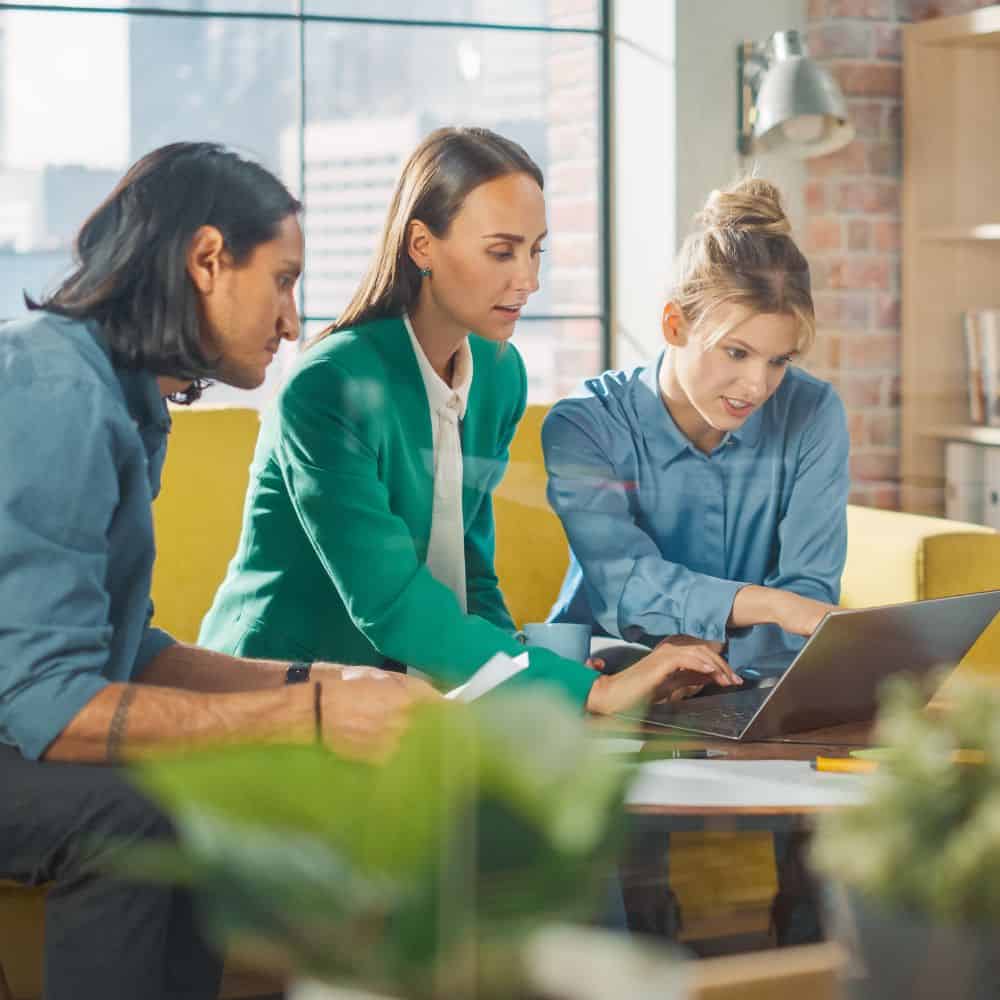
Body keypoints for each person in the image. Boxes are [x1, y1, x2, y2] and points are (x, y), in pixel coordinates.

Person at [0, 142, 437, 1000]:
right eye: (282, 280)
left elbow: (119, 650)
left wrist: (319, 679)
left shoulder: (126, 397)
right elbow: (51, 705)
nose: (292, 320)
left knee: (200, 789)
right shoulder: (55, 391)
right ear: (207, 260)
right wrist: (310, 717)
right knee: (135, 818)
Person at [199, 126, 741, 715]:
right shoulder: (328, 385)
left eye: (536, 251)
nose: (529, 280)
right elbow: (391, 603)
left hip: (413, 694)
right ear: (422, 246)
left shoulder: (499, 373)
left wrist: (536, 673)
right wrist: (592, 692)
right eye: (501, 252)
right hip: (277, 694)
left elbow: (470, 571)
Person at [542, 177, 850, 677]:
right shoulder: (584, 426)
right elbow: (627, 583)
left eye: (778, 361)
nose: (756, 385)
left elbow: (809, 595)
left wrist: (711, 658)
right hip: (607, 680)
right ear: (674, 325)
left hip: (750, 684)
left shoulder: (813, 412)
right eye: (736, 352)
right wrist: (772, 605)